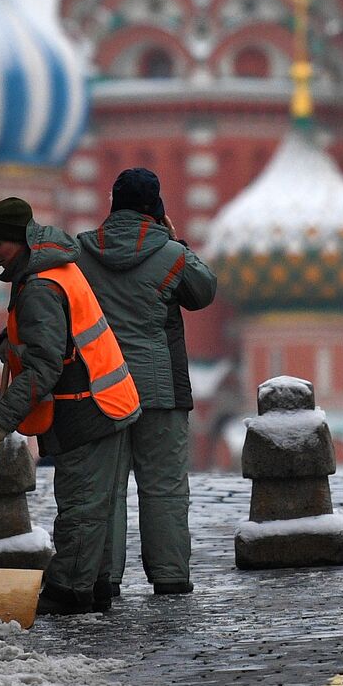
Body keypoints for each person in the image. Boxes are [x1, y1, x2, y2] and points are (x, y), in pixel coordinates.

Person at [0, 196, 141, 616]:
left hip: (89, 406)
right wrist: (9, 343)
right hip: (106, 401)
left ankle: (68, 591)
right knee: (95, 505)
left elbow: (45, 365)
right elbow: (52, 334)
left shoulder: (39, 285)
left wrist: (5, 415)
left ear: (19, 241)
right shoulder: (48, 268)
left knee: (80, 506)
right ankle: (96, 587)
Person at [76, 168, 217, 598]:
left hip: (101, 387)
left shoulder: (81, 252)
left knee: (105, 487)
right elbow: (203, 292)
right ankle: (170, 577)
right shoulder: (170, 252)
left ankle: (103, 578)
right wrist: (177, 242)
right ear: (154, 208)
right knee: (165, 488)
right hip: (159, 390)